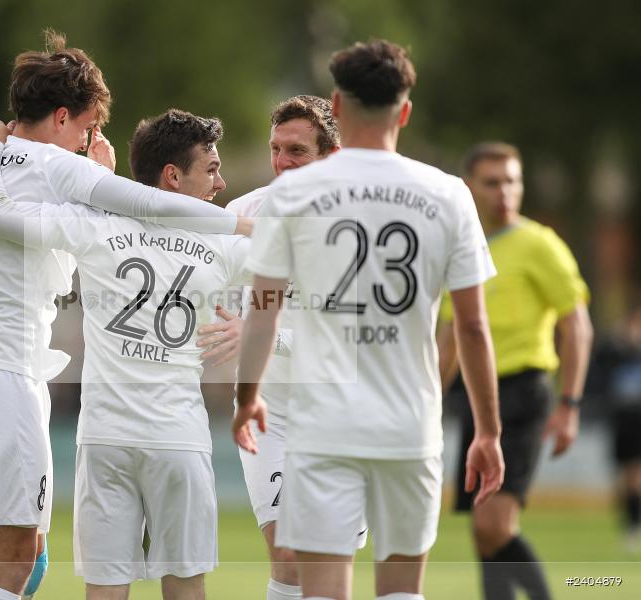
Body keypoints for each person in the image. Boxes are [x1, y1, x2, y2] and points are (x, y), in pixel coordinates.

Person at [0, 32, 248, 600]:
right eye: (85, 128)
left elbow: (30, 213)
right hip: (3, 369)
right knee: (11, 557)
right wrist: (237, 224)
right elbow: (148, 202)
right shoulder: (47, 165)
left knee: (30, 553)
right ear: (62, 117)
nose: (87, 142)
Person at [233, 40, 505, 600]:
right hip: (410, 424)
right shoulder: (449, 194)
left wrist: (246, 396)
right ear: (404, 112)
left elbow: (262, 309)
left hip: (323, 427)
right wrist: (488, 431)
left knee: (322, 587)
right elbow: (473, 327)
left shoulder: (293, 195)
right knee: (402, 588)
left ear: (338, 104)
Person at [198, 95, 364, 600]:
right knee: (288, 555)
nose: (282, 161)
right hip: (269, 413)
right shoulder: (244, 213)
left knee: (327, 562)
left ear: (332, 156)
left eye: (297, 151)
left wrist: (261, 334)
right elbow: (213, 299)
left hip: (343, 411)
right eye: (276, 148)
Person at [436, 141, 594, 600]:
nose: (504, 191)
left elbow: (576, 326)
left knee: (494, 525)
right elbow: (451, 338)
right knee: (483, 534)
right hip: (476, 395)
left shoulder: (539, 244)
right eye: (492, 182)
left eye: (512, 181)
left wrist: (570, 404)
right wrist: (427, 401)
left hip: (524, 392)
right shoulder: (459, 248)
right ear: (469, 187)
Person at [591, 305, 641, 555]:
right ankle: (631, 525)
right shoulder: (615, 349)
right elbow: (600, 370)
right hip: (624, 420)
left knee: (634, 476)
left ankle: (633, 524)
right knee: (626, 476)